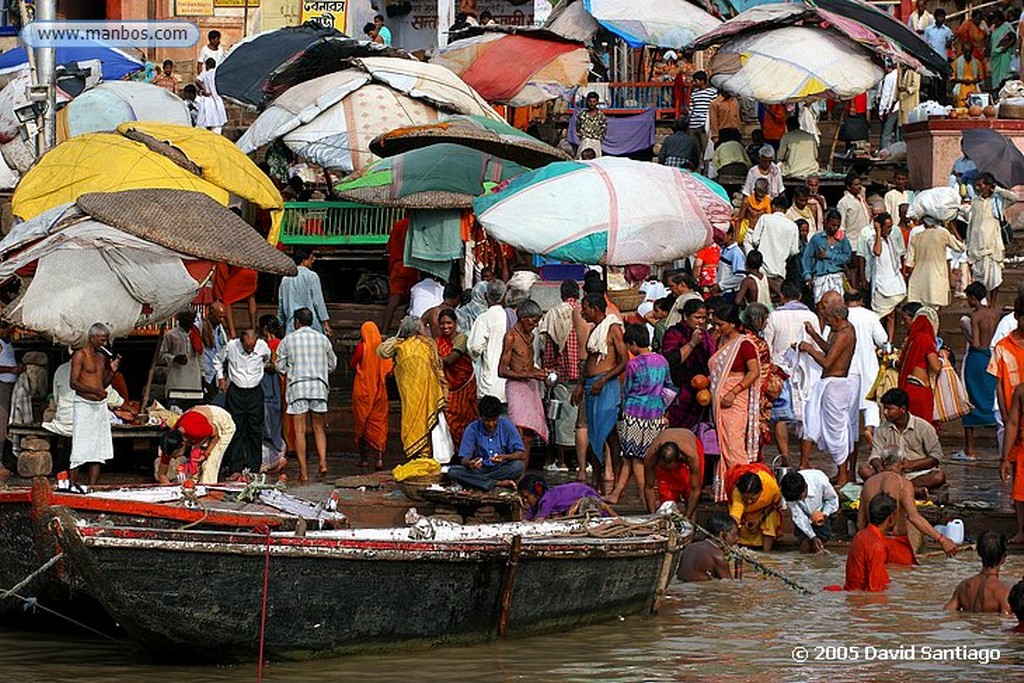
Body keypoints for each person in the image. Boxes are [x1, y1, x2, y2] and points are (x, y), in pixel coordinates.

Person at [859, 445, 957, 563]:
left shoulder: (868, 483)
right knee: (903, 578)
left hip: (871, 543)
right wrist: (941, 539)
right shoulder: (903, 483)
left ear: (882, 462)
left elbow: (861, 522)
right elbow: (914, 517)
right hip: (895, 545)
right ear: (902, 462)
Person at [799, 291, 858, 486]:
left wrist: (808, 349)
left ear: (838, 318)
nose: (828, 323)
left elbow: (827, 362)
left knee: (836, 431)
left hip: (836, 385)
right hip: (830, 385)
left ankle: (843, 475)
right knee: (817, 424)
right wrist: (813, 335)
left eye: (830, 319)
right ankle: (838, 472)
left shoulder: (845, 334)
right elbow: (829, 350)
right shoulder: (839, 332)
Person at [606, 324, 669, 505]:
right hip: (655, 413)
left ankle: (644, 495)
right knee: (633, 455)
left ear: (633, 343)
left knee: (636, 457)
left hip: (634, 413)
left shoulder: (633, 364)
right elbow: (669, 387)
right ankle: (617, 493)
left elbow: (627, 390)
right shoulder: (662, 361)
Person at [708, 302, 762, 501]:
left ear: (732, 324)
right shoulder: (720, 340)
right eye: (714, 324)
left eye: (720, 324)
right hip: (720, 402)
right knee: (724, 446)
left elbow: (754, 372)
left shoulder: (744, 344)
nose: (716, 328)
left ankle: (746, 490)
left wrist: (733, 391)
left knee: (734, 445)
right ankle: (730, 491)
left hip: (735, 401)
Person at [573, 293, 627, 493]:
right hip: (591, 386)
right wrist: (580, 384)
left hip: (606, 386)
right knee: (595, 434)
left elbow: (623, 361)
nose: (582, 312)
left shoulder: (613, 329)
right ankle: (596, 479)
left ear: (594, 309)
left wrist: (603, 380)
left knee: (610, 435)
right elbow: (588, 361)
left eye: (584, 308)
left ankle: (613, 484)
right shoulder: (594, 330)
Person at [378, 316, 451, 461]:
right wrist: (398, 336)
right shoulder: (399, 345)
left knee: (427, 422)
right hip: (410, 394)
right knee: (412, 422)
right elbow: (381, 352)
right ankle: (418, 457)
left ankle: (425, 457)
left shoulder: (427, 344)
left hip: (428, 392)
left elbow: (437, 367)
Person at [276, 308, 336, 481]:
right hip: (318, 386)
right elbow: (332, 364)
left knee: (300, 431)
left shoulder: (289, 340)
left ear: (297, 322)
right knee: (318, 428)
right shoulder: (323, 339)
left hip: (298, 387)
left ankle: (303, 472)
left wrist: (292, 370)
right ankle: (323, 462)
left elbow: (280, 366)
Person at [763, 282, 819, 463]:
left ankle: (785, 458)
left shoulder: (773, 317)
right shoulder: (811, 316)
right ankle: (804, 461)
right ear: (800, 297)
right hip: (805, 372)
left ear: (782, 297)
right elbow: (816, 345)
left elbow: (766, 346)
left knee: (780, 417)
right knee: (806, 417)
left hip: (780, 371)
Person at [540, 279, 589, 474]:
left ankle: (562, 462)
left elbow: (549, 346)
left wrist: (549, 369)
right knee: (582, 420)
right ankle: (582, 462)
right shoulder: (585, 311)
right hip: (583, 374)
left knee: (560, 420)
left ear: (561, 294)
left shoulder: (554, 313)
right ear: (578, 294)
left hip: (563, 374)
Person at [862, 388, 946, 496]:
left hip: (917, 473)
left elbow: (936, 456)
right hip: (888, 473)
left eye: (889, 409)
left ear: (902, 409)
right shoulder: (882, 428)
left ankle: (896, 488)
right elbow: (875, 455)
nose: (885, 413)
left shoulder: (923, 427)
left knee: (938, 477)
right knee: (864, 470)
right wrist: (879, 468)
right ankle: (912, 490)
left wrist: (910, 465)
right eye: (884, 409)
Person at [215, 328, 271, 479]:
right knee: (236, 429)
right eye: (247, 347)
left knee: (255, 430)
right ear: (241, 342)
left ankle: (254, 468)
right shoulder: (231, 346)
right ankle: (236, 468)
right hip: (236, 392)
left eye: (252, 347)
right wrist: (221, 378)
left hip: (254, 392)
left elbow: (266, 360)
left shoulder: (262, 347)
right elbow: (218, 360)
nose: (250, 350)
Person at [69, 323, 119, 491]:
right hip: (83, 405)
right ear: (93, 337)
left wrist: (112, 372)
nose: (105, 343)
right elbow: (73, 383)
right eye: (102, 340)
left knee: (99, 448)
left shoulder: (102, 357)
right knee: (79, 447)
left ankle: (92, 487)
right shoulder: (80, 355)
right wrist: (94, 391)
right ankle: (71, 486)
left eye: (106, 340)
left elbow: (102, 384)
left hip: (99, 406)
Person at [499, 299, 549, 463]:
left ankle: (521, 478)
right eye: (533, 321)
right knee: (518, 432)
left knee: (528, 436)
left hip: (530, 386)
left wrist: (540, 373)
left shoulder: (530, 336)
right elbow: (502, 370)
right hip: (516, 388)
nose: (535, 325)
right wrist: (529, 375)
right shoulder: (511, 337)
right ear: (523, 317)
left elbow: (528, 365)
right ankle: (513, 473)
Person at [449, 396, 525, 491]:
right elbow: (463, 458)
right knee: (453, 472)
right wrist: (470, 463)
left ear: (499, 416)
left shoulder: (507, 426)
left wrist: (505, 457)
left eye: (494, 420)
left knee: (518, 466)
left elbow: (521, 454)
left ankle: (478, 482)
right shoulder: (472, 428)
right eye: (487, 420)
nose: (491, 424)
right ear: (481, 417)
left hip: (501, 468)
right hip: (480, 469)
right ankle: (497, 483)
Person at [845, 290, 888, 453]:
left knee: (850, 406)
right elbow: (883, 340)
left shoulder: (842, 316)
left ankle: (851, 438)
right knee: (871, 402)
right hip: (869, 364)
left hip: (848, 366)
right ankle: (871, 429)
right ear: (861, 301)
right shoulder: (870, 316)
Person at [662, 299, 715, 430]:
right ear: (686, 316)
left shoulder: (705, 335)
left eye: (703, 318)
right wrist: (692, 343)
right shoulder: (674, 333)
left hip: (702, 390)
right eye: (697, 317)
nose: (701, 322)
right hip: (681, 391)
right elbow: (671, 361)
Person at [961, 282, 999, 459]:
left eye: (968, 297)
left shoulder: (975, 316)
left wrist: (965, 331)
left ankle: (969, 450)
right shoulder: (994, 313)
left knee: (970, 400)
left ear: (973, 298)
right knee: (990, 399)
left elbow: (975, 343)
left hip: (976, 359)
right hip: (990, 357)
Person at [155, 405, 236, 484]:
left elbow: (216, 435)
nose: (175, 458)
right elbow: (161, 475)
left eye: (175, 455)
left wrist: (205, 454)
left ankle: (207, 492)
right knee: (195, 465)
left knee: (209, 465)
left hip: (220, 422)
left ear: (182, 445)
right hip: (199, 420)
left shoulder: (195, 431)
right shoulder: (169, 443)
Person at [968, 172, 1017, 305]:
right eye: (977, 185)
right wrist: (968, 244)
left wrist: (997, 189)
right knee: (979, 278)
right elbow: (971, 225)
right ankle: (982, 304)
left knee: (995, 278)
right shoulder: (975, 201)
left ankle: (992, 304)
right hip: (977, 246)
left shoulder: (998, 201)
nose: (977, 188)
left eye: (981, 185)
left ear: (989, 186)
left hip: (993, 246)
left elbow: (1014, 198)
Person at [351, 321, 391, 470]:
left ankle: (364, 459)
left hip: (363, 392)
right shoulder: (383, 349)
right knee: (379, 424)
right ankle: (379, 460)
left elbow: (353, 363)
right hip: (380, 391)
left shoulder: (362, 347)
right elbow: (389, 369)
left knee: (362, 424)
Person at [436, 308, 476, 452]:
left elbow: (451, 359)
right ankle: (456, 454)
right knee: (450, 421)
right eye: (442, 323)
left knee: (466, 421)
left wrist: (432, 360)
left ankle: (467, 453)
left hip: (464, 387)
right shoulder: (438, 342)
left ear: (455, 323)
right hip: (449, 389)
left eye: (448, 323)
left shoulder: (461, 339)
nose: (445, 327)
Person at [944, 531, 1012, 614]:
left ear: (979, 553)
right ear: (1004, 556)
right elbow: (1009, 621)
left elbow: (947, 612)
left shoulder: (963, 586)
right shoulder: (1003, 592)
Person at [642, 428, 703, 517]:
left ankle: (691, 525)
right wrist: (652, 516)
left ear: (678, 460)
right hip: (666, 444)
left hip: (691, 441)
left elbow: (696, 490)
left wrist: (687, 517)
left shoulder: (692, 457)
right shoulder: (651, 457)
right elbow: (648, 487)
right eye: (663, 467)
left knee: (689, 493)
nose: (666, 470)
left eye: (668, 467)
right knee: (666, 495)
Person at [906, 217, 964, 308]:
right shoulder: (943, 234)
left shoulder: (916, 237)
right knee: (934, 313)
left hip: (918, 284)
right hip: (937, 282)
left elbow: (909, 264)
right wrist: (954, 230)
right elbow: (961, 247)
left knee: (919, 313)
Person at [899, 306, 943, 423]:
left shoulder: (912, 339)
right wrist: (943, 359)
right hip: (920, 390)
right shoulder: (926, 338)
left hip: (909, 387)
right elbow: (936, 367)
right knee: (923, 429)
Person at [844, 493, 897, 592]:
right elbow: (874, 590)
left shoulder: (860, 535)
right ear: (891, 517)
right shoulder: (877, 545)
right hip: (864, 600)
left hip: (853, 595)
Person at [748, 196, 800, 295]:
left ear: (773, 206)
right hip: (779, 272)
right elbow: (794, 251)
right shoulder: (793, 226)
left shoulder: (765, 219)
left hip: (761, 272)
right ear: (786, 209)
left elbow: (754, 240)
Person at [468, 279, 509, 402]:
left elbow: (475, 347)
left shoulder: (484, 319)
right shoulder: (511, 317)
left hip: (489, 383)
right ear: (504, 296)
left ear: (486, 296)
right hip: (509, 382)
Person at [868, 212, 907, 339]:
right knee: (878, 316)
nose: (889, 230)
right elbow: (877, 251)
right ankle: (878, 341)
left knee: (891, 315)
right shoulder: (872, 240)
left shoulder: (891, 240)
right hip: (880, 282)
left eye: (891, 227)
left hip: (892, 281)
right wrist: (878, 232)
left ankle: (889, 342)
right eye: (887, 227)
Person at [781, 469, 839, 554]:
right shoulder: (789, 491)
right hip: (804, 516)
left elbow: (832, 500)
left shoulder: (820, 481)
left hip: (823, 512)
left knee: (819, 545)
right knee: (804, 543)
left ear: (805, 487)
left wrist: (824, 514)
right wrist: (812, 537)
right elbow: (798, 516)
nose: (798, 500)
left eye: (799, 497)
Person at [802, 209, 852, 304]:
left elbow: (847, 258)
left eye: (838, 225)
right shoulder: (817, 238)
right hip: (820, 276)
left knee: (837, 305)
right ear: (826, 222)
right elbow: (807, 258)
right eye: (833, 225)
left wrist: (829, 255)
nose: (835, 228)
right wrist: (807, 275)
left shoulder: (843, 240)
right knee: (821, 304)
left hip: (837, 276)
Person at [257, 315, 286, 476]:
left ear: (265, 329)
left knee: (269, 424)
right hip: (274, 389)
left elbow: (275, 367)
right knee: (273, 423)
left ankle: (274, 457)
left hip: (270, 387)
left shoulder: (272, 345)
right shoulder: (277, 344)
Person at [278, 249, 331, 336]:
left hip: (292, 326)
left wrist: (281, 322)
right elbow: (318, 301)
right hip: (312, 326)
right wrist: (325, 322)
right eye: (311, 258)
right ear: (303, 261)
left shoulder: (285, 279)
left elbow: (281, 303)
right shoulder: (312, 276)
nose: (313, 260)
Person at [728, 467, 782, 551]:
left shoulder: (771, 488)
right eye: (745, 499)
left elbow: (774, 505)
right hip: (745, 516)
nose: (749, 502)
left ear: (761, 491)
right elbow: (735, 517)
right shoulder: (737, 493)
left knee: (772, 516)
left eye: (753, 499)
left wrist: (759, 519)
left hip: (763, 513)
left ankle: (766, 552)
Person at [676, 511, 738, 582]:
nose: (737, 539)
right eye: (735, 534)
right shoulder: (718, 555)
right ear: (723, 535)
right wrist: (738, 566)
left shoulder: (690, 547)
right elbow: (730, 586)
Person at [159, 309, 203, 405]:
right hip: (177, 379)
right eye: (186, 318)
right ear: (179, 319)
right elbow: (161, 355)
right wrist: (174, 358)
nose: (189, 321)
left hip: (194, 380)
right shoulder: (170, 335)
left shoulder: (196, 334)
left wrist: (203, 375)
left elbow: (200, 355)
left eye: (192, 318)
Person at [383, 218, 419, 333]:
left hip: (397, 265)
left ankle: (384, 331)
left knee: (394, 299)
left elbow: (388, 247)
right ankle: (407, 331)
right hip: (411, 264)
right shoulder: (416, 224)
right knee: (411, 299)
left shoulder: (398, 225)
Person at [519, 474, 605, 521]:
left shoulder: (547, 499)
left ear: (537, 493)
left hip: (587, 495)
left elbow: (540, 519)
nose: (525, 501)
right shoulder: (539, 498)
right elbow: (531, 513)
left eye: (526, 497)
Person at [201, 301, 228, 403]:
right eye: (219, 317)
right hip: (205, 373)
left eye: (223, 317)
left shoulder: (220, 330)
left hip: (216, 374)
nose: (221, 320)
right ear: (211, 314)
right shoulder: (201, 327)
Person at [0, 321, 20, 447]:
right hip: (2, 386)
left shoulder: (8, 343)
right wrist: (10, 370)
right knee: (2, 420)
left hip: (11, 385)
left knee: (7, 419)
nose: (11, 332)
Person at [195, 58, 227, 134]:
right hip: (217, 100)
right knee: (218, 123)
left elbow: (197, 80)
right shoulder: (217, 73)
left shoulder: (205, 73)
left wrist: (204, 90)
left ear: (207, 66)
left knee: (202, 122)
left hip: (208, 100)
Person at [688, 71, 717, 153]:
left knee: (705, 149)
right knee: (695, 150)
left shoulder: (712, 92)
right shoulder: (694, 93)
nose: (694, 83)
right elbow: (691, 109)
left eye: (695, 81)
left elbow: (713, 108)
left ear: (702, 81)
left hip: (704, 125)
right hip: (693, 125)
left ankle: (705, 165)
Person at [951, 41, 985, 108]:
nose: (968, 54)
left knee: (975, 111)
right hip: (961, 93)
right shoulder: (956, 63)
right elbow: (952, 78)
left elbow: (981, 77)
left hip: (974, 92)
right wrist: (963, 81)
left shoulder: (977, 63)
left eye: (969, 51)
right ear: (962, 51)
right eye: (966, 51)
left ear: (972, 51)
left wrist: (974, 81)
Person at [989, 10, 1016, 92]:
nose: (993, 21)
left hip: (1004, 55)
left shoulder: (1006, 26)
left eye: (994, 19)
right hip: (996, 55)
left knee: (1005, 77)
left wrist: (1005, 47)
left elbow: (1013, 38)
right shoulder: (994, 28)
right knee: (996, 76)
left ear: (998, 18)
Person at [716, 225, 747, 295]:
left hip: (730, 293)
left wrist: (721, 285)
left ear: (730, 235)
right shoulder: (723, 249)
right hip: (722, 292)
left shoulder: (736, 252)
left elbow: (740, 276)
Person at [837, 174, 870, 239]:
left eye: (860, 184)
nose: (859, 187)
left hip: (865, 240)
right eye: (856, 185)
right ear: (849, 187)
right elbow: (841, 226)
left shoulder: (861, 199)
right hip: (852, 241)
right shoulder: (844, 202)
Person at [575, 91, 606, 159]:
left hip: (596, 141)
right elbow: (578, 127)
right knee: (582, 160)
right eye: (590, 101)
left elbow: (603, 130)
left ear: (597, 102)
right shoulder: (582, 115)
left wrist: (597, 138)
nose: (592, 104)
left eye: (594, 101)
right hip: (585, 141)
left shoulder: (601, 116)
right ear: (587, 102)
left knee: (596, 161)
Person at [878, 62, 900, 150]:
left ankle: (883, 150)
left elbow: (885, 95)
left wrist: (881, 110)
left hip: (891, 107)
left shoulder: (889, 77)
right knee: (898, 132)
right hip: (900, 106)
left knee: (886, 132)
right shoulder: (901, 75)